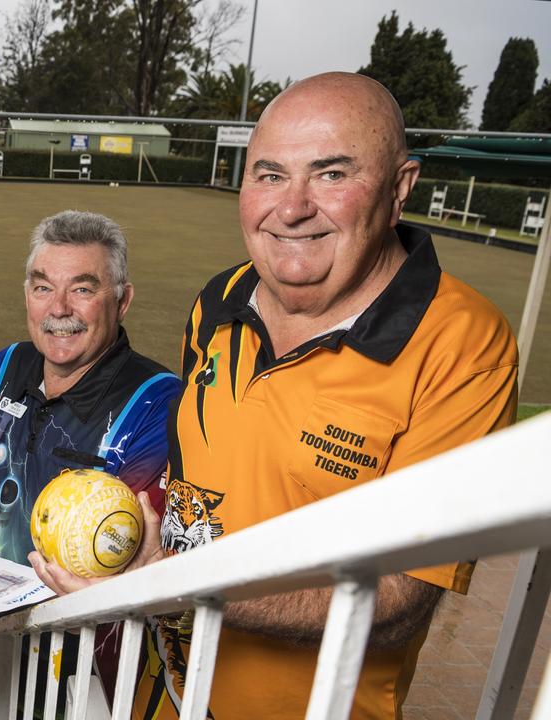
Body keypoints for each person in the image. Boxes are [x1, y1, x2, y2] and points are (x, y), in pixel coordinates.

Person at [33, 73, 519, 719]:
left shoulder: (462, 343)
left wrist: (170, 584)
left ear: (401, 188)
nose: (291, 208)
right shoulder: (219, 299)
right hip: (163, 694)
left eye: (331, 174)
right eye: (269, 175)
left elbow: (398, 601)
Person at [0, 210, 181, 720]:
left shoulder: (157, 404)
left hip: (86, 667)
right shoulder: (6, 366)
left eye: (83, 289)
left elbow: (146, 564)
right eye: (43, 287)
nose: (59, 309)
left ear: (122, 300)